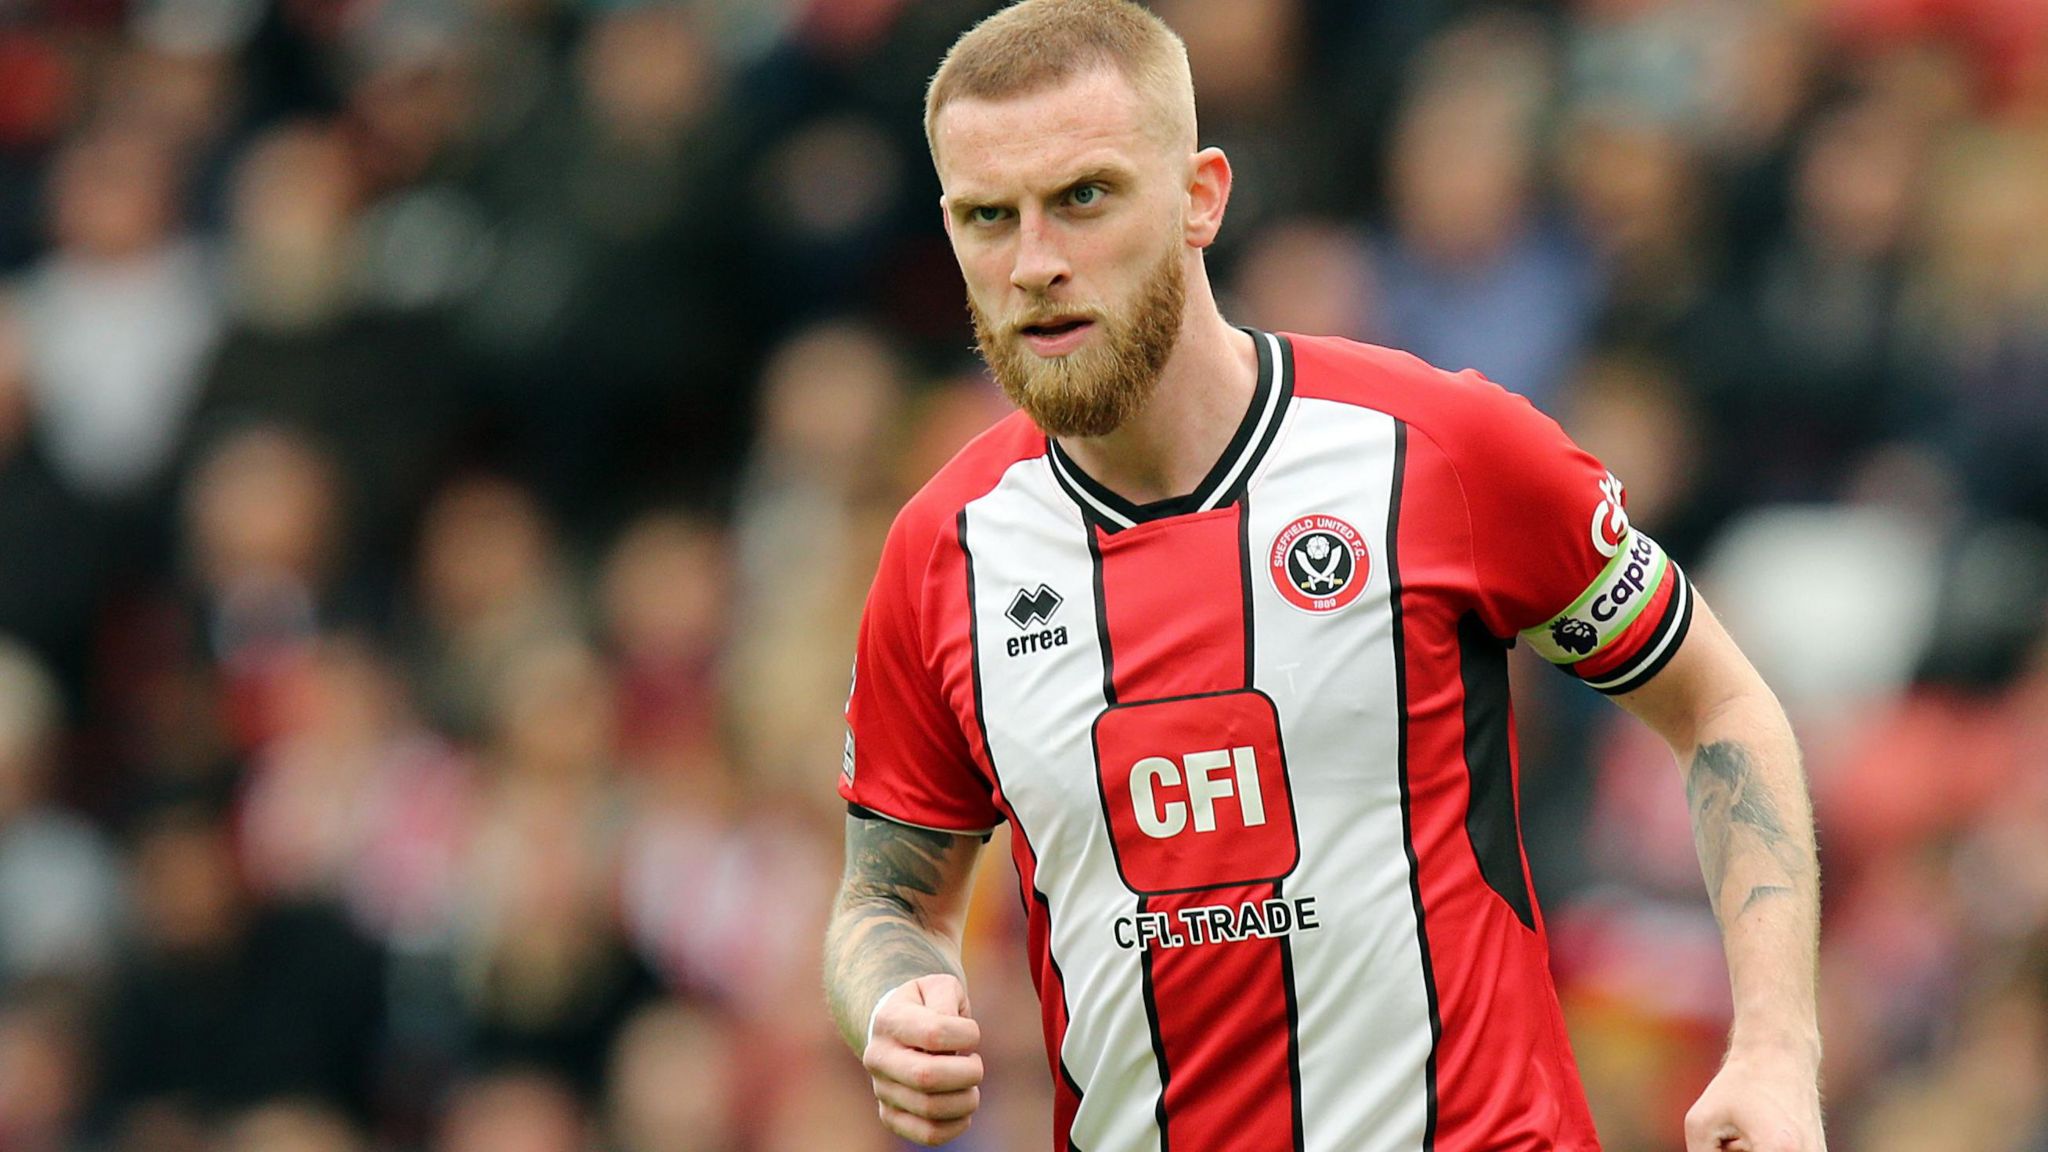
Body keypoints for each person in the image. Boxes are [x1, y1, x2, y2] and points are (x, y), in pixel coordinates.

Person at [821, 3, 1826, 1150]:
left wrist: (1774, 1049)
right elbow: (888, 895)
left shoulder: (1437, 453)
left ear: (1201, 195)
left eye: (1084, 197)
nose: (1034, 263)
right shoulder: (939, 553)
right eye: (986, 217)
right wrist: (893, 1002)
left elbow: (1716, 708)